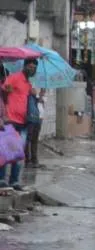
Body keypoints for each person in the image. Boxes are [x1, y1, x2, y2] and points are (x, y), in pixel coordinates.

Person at [0, 59, 37, 190]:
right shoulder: (14, 77)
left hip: (24, 122)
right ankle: (1, 179)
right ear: (25, 66)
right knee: (6, 151)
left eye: (34, 68)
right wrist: (7, 89)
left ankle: (14, 181)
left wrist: (34, 95)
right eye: (30, 66)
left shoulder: (28, 84)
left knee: (18, 152)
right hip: (10, 121)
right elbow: (4, 90)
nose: (32, 69)